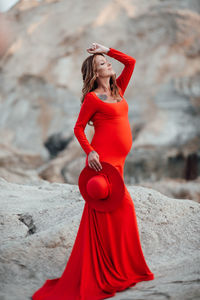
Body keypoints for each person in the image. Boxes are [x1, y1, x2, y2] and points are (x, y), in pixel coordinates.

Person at [32, 42, 154, 300]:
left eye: (106, 62)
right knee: (113, 209)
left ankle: (122, 267)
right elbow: (78, 128)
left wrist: (107, 50)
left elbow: (130, 62)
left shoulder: (118, 89)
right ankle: (109, 269)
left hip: (120, 162)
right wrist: (91, 152)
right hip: (105, 160)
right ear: (95, 73)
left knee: (120, 213)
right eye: (101, 64)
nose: (107, 65)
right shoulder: (92, 98)